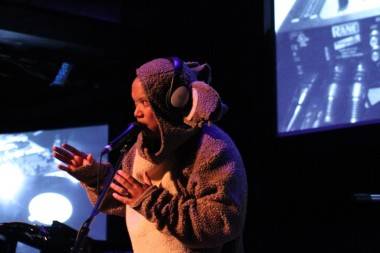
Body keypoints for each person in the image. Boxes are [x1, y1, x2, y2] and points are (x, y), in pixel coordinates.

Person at [52, 57, 248, 253]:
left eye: (144, 102)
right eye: (135, 103)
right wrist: (95, 177)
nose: (136, 112)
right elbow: (127, 203)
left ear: (175, 100)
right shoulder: (140, 148)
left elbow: (222, 221)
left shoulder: (212, 148)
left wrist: (150, 200)